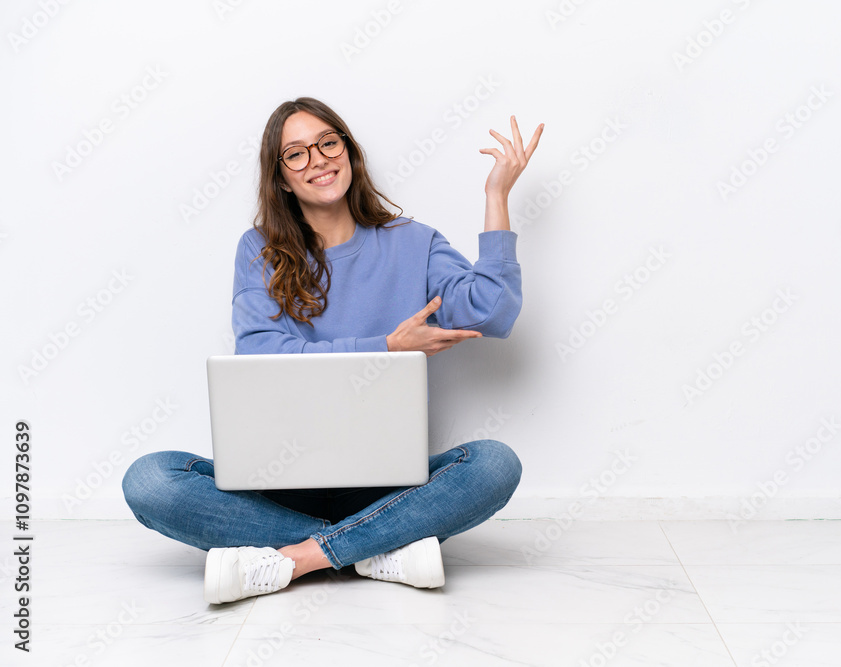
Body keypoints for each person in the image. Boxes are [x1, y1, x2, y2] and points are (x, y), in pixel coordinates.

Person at [121, 97, 543, 604]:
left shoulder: (414, 242)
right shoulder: (259, 250)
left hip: (386, 484)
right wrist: (387, 347)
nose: (317, 159)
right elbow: (260, 353)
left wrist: (497, 196)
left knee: (496, 464)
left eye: (327, 142)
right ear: (280, 178)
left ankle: (296, 557)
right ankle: (379, 545)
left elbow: (493, 312)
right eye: (296, 154)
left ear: (349, 151)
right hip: (276, 482)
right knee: (149, 480)